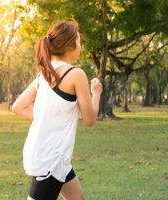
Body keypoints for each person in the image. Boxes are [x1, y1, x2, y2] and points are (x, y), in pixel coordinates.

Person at [12, 19, 102, 200]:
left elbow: (18, 106)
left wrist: (47, 117)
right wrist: (96, 93)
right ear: (70, 45)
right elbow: (90, 119)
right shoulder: (76, 74)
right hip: (50, 160)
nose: (81, 45)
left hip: (53, 156)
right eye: (79, 41)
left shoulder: (44, 74)